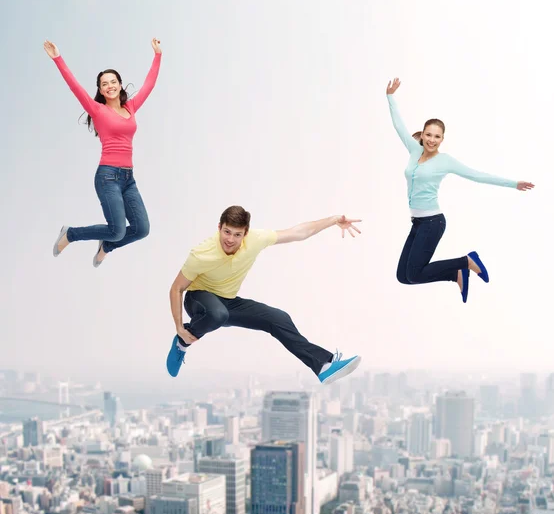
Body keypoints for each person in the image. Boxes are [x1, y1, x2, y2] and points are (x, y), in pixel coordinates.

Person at [166, 206, 362, 384]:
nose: (230, 239)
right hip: (198, 299)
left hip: (228, 301)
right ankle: (182, 343)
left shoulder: (256, 240)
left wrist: (334, 219)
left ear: (246, 234)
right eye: (226, 232)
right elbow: (176, 289)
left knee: (278, 318)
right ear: (219, 227)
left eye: (237, 234)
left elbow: (299, 232)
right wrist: (179, 327)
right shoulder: (202, 253)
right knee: (217, 314)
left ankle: (322, 365)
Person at [386, 78, 534, 302]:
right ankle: (455, 274)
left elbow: (477, 175)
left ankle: (465, 262)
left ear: (442, 139)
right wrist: (390, 97)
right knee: (403, 277)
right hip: (417, 223)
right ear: (423, 134)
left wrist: (513, 183)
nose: (431, 140)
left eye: (437, 136)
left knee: (414, 273)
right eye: (428, 135)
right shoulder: (414, 151)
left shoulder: (445, 161)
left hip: (432, 223)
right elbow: (399, 125)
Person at [44, 38, 162, 267]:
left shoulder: (131, 108)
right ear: (100, 89)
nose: (109, 86)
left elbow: (149, 84)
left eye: (113, 81)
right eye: (104, 84)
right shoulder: (97, 110)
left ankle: (106, 246)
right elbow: (74, 87)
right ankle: (70, 234)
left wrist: (157, 55)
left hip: (128, 179)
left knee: (142, 229)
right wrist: (58, 59)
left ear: (120, 84)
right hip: (108, 177)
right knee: (117, 230)